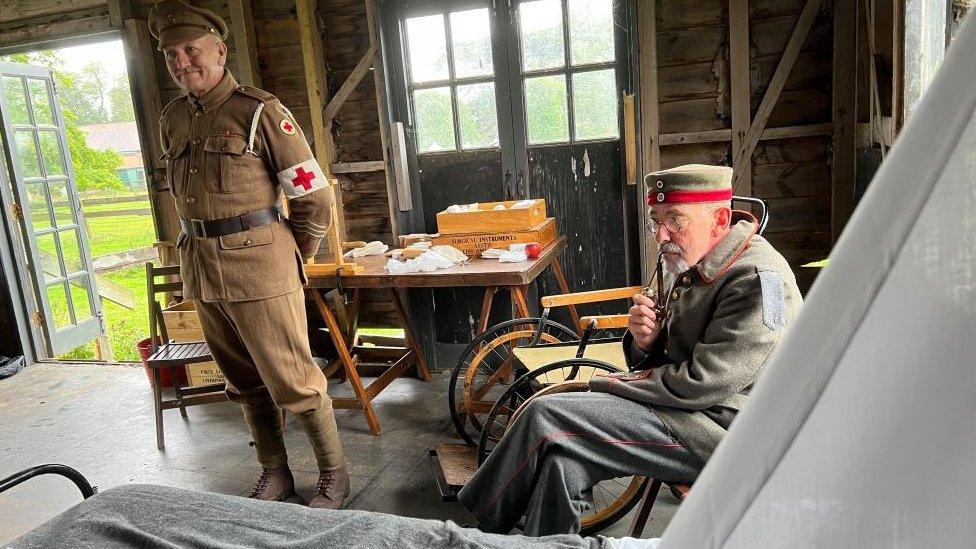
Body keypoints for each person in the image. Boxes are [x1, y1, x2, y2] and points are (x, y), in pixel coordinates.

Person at [458, 164, 803, 535]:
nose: (662, 234)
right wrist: (644, 342)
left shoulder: (756, 280)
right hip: (679, 411)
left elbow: (700, 383)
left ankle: (475, 535)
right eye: (655, 220)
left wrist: (609, 384)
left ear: (720, 219)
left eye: (675, 220)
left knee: (543, 414)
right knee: (561, 461)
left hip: (726, 433)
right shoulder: (685, 256)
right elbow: (666, 353)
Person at [148, 0, 348, 509]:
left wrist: (290, 257)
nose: (181, 61)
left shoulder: (260, 112)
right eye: (171, 53)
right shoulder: (172, 119)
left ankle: (333, 474)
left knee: (295, 382)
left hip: (261, 268)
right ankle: (275, 474)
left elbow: (314, 195)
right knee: (242, 384)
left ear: (219, 49)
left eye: (191, 49)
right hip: (202, 269)